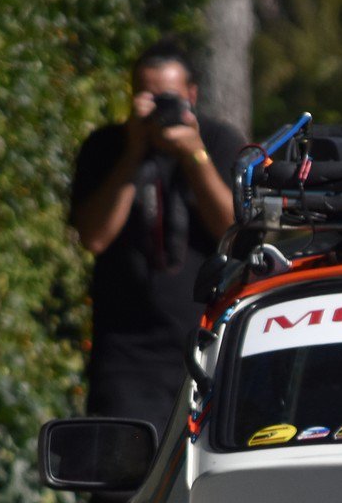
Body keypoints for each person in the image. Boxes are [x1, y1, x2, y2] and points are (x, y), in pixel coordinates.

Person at [70, 39, 245, 430]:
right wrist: (132, 154)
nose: (158, 110)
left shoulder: (218, 142)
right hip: (126, 356)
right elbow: (95, 237)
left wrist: (193, 154)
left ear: (192, 96)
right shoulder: (106, 148)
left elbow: (233, 232)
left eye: (168, 98)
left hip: (207, 345)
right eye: (147, 97)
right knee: (124, 474)